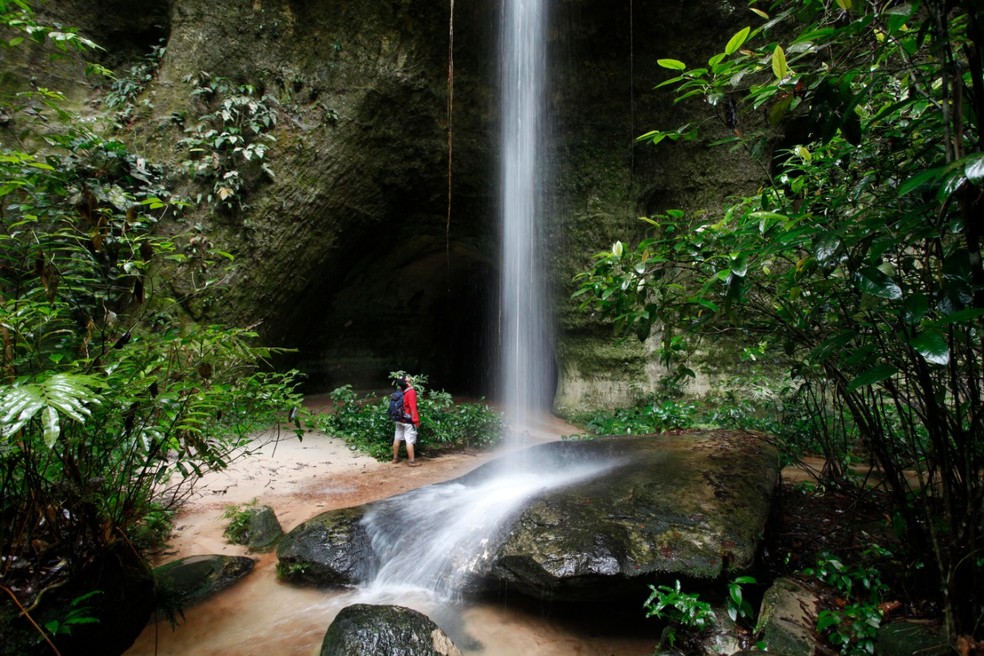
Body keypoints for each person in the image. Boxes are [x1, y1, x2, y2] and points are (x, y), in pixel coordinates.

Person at [392, 376, 421, 466]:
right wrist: (416, 421)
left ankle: (395, 459)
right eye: (406, 377)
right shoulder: (411, 392)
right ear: (406, 382)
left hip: (398, 418)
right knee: (409, 440)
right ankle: (412, 461)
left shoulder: (401, 391)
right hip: (408, 420)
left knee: (397, 437)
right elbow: (413, 408)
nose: (408, 376)